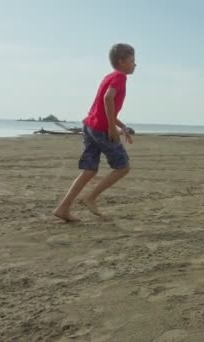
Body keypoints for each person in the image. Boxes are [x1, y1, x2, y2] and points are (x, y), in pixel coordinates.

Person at [53, 43, 136, 222]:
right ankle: (90, 197)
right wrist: (111, 128)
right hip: (101, 129)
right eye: (132, 60)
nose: (135, 64)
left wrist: (121, 126)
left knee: (89, 170)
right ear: (121, 62)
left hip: (90, 126)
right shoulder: (120, 77)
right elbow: (108, 99)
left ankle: (63, 208)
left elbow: (103, 107)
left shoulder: (109, 76)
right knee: (123, 167)